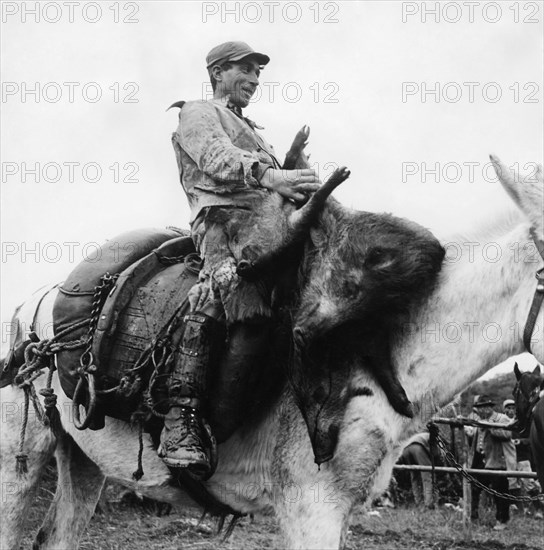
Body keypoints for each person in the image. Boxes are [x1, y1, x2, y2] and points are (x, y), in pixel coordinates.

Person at [161, 41, 322, 478]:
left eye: (258, 73)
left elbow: (274, 181)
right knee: (224, 286)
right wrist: (272, 174)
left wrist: (291, 164)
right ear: (217, 72)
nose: (254, 79)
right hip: (223, 223)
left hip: (270, 222)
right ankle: (183, 417)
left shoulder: (251, 126)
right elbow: (216, 159)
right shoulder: (197, 111)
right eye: (245, 70)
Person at [469, 395, 517, 530]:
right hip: (482, 460)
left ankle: (502, 520)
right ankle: (473, 517)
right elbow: (477, 439)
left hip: (497, 460)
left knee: (500, 491)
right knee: (475, 487)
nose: (482, 410)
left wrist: (490, 427)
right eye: (479, 408)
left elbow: (507, 435)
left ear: (490, 407)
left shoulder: (502, 419)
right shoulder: (479, 421)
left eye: (484, 407)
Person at [503, 398, 543, 518]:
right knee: (513, 482)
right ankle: (520, 510)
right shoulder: (502, 422)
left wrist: (519, 442)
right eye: (508, 408)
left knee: (529, 482)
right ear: (504, 409)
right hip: (508, 456)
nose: (510, 411)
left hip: (522, 455)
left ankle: (539, 508)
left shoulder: (523, 422)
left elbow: (531, 439)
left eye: (513, 408)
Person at [398, 432, 438, 508]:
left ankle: (419, 502)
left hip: (406, 449)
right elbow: (435, 453)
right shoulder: (439, 441)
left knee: (414, 476)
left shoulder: (424, 435)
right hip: (418, 448)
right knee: (428, 475)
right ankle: (429, 504)